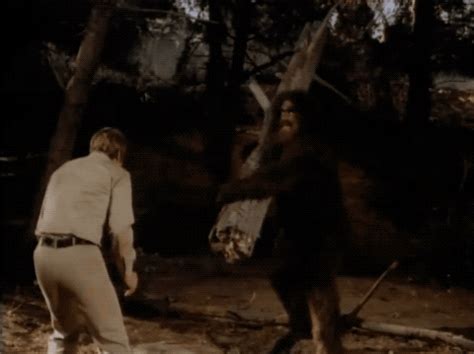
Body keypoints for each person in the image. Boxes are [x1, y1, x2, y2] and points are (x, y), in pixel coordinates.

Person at [217, 90, 349, 354]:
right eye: (283, 112)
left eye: (293, 112)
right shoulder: (289, 147)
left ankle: (327, 345)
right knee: (283, 274)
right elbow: (270, 171)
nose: (286, 117)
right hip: (297, 233)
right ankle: (302, 328)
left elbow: (276, 178)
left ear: (307, 117)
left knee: (318, 290)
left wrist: (234, 190)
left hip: (320, 234)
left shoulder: (311, 149)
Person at [34, 127, 139, 354]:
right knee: (113, 339)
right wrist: (129, 273)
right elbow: (121, 229)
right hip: (79, 254)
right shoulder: (117, 173)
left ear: (92, 148)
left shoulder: (63, 169)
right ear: (119, 155)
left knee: (64, 332)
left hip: (43, 254)